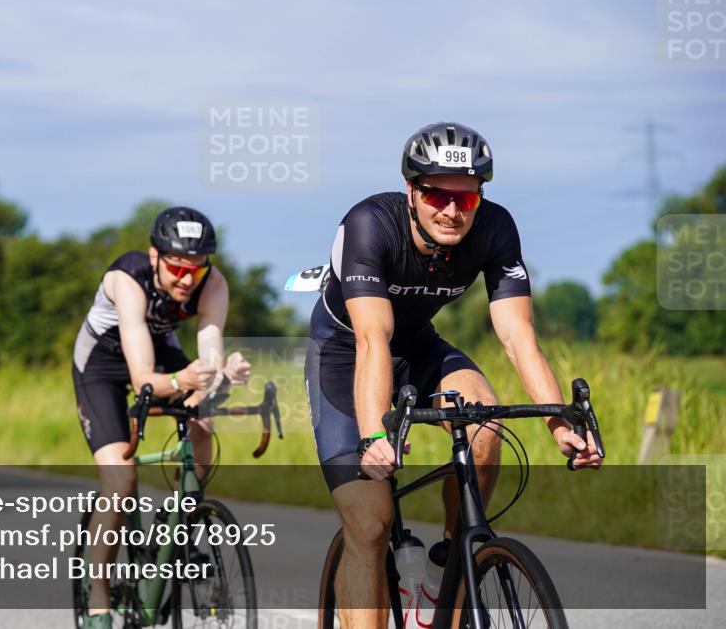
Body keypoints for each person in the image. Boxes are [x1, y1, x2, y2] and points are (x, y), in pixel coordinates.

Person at [304, 121, 603, 627]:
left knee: (485, 425)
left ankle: (447, 568)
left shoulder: (496, 228)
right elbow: (372, 339)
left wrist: (560, 425)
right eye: (436, 195)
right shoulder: (370, 224)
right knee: (370, 526)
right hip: (345, 355)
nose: (451, 210)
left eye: (465, 198)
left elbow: (518, 338)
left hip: (418, 347)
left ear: (480, 197)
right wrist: (374, 435)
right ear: (411, 192)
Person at [72, 206, 251, 629]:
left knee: (203, 422)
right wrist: (183, 379)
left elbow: (208, 356)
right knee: (121, 481)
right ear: (155, 257)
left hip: (159, 350)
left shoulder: (213, 284)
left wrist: (222, 374)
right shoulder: (128, 279)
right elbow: (144, 380)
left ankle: (181, 523)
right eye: (177, 268)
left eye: (196, 268)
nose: (187, 279)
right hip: (102, 365)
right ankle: (98, 594)